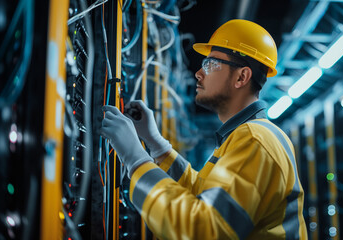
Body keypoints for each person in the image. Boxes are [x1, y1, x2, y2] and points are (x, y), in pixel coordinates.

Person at [101, 19, 307, 239]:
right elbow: (202, 193)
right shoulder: (246, 136)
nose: (199, 73)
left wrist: (135, 158)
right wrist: (157, 145)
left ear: (241, 77)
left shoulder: (254, 139)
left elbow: (201, 230)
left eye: (211, 64)